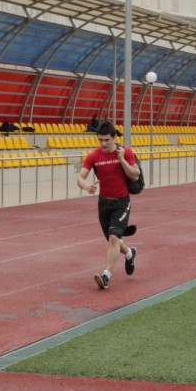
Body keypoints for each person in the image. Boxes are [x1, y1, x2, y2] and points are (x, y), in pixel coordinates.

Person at [76, 121, 140, 289]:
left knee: (113, 238)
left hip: (122, 203)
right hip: (104, 204)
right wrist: (86, 187)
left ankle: (105, 276)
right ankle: (130, 253)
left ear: (114, 138)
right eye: (100, 140)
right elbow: (80, 177)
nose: (103, 144)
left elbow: (135, 175)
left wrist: (122, 160)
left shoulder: (125, 152)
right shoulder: (93, 156)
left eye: (106, 140)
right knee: (114, 240)